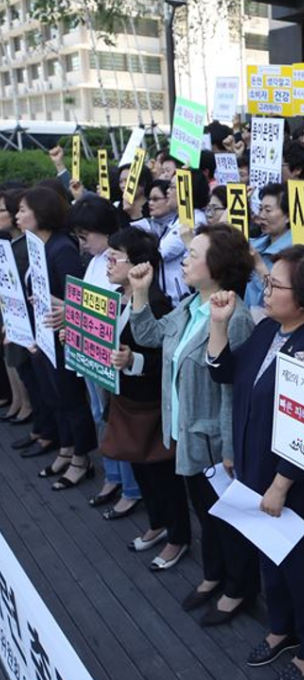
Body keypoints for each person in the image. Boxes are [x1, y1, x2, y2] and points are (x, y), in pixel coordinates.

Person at [206, 246, 304, 680]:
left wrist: (282, 482)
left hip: (292, 482)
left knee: (303, 568)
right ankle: (282, 628)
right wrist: (218, 324)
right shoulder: (269, 331)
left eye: (275, 285)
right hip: (252, 468)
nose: (265, 290)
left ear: (303, 300)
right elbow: (224, 371)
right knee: (270, 558)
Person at [128, 224, 261, 620]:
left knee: (227, 521)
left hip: (213, 443)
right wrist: (139, 292)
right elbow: (148, 335)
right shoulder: (189, 306)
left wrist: (230, 450)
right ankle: (214, 574)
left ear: (218, 265)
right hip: (186, 433)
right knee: (206, 514)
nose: (184, 258)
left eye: (194, 253)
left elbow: (232, 389)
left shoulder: (232, 317)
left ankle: (238, 589)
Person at [102, 227, 191, 568]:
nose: (107, 263)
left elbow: (166, 359)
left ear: (139, 265)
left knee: (162, 475)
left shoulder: (157, 302)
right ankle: (157, 524)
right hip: (125, 398)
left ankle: (179, 536)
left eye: (115, 257)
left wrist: (133, 361)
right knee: (140, 468)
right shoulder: (113, 297)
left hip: (151, 405)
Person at [69, 196, 147, 519]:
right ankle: (114, 477)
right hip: (91, 356)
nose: (82, 244)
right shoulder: (94, 261)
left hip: (112, 359)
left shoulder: (116, 261)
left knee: (114, 420)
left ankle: (130, 488)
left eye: (85, 236)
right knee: (102, 415)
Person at [17, 187, 98, 490]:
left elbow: (72, 297)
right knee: (56, 397)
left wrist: (59, 309)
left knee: (71, 399)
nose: (18, 215)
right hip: (44, 337)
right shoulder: (41, 244)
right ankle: (66, 448)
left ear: (41, 213)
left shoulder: (61, 248)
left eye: (24, 209)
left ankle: (81, 457)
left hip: (62, 338)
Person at [0, 188, 33, 425]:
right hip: (9, 311)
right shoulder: (9, 243)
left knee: (21, 361)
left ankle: (27, 406)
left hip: (25, 318)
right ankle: (19, 402)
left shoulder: (24, 248)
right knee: (10, 357)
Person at [139, 179, 188, 303]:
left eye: (156, 199)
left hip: (179, 299)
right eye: (149, 199)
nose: (150, 203)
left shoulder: (189, 221)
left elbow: (160, 252)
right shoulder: (152, 224)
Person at [246, 183, 294, 311]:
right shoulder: (255, 244)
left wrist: (259, 265)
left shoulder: (295, 252)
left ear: (288, 216)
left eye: (268, 210)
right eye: (260, 209)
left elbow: (275, 293)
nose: (262, 215)